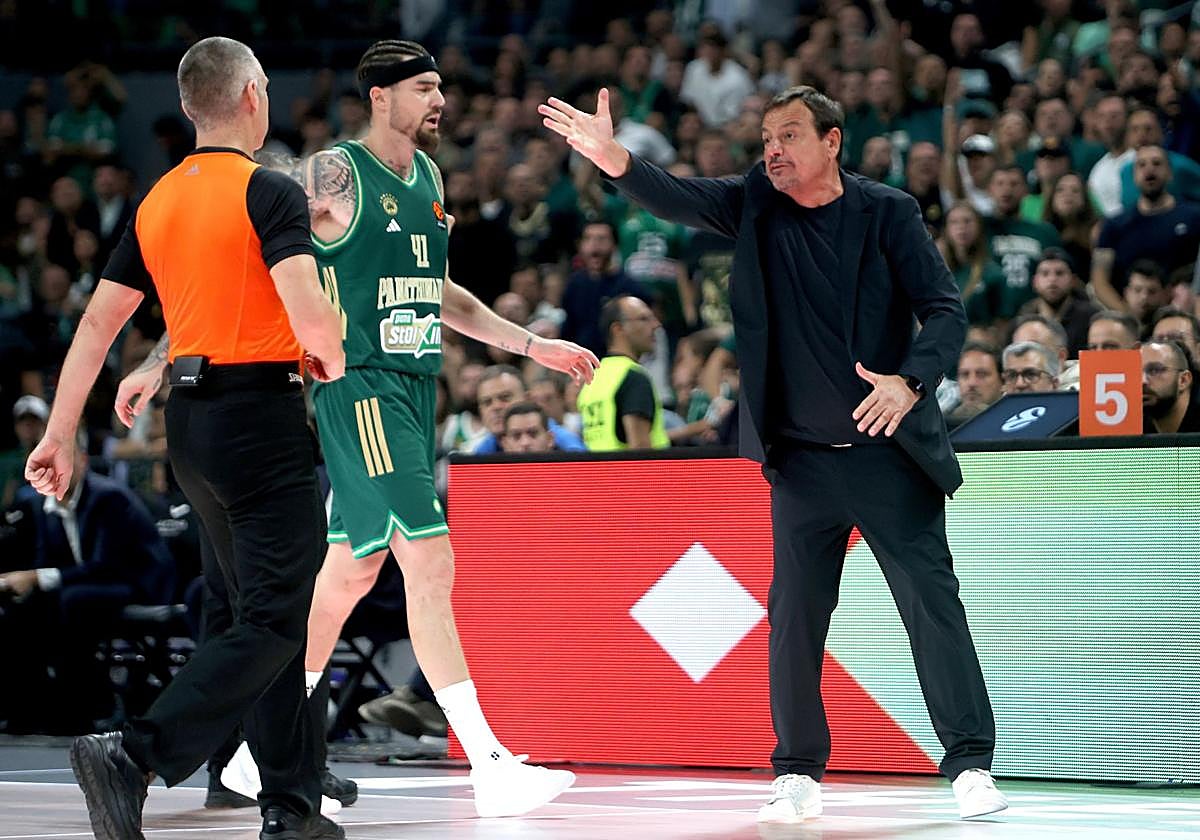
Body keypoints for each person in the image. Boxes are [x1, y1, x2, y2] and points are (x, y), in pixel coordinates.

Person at [120, 39, 591, 820]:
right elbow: (244, 266)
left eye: (440, 87)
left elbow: (438, 291)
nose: (440, 101)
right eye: (424, 88)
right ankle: (490, 763)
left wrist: (531, 345)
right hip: (359, 387)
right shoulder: (332, 175)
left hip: (412, 389)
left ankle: (253, 758)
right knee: (430, 562)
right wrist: (160, 358)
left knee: (347, 577)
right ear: (380, 96)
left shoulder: (429, 177)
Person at [540, 84, 1004, 821]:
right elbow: (678, 196)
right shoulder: (756, 201)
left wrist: (911, 381)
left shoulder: (888, 212)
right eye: (766, 139)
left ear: (832, 141)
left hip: (886, 452)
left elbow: (945, 309)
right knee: (794, 619)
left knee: (931, 606)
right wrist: (613, 159)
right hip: (801, 460)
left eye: (789, 135)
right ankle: (797, 772)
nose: (773, 150)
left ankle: (971, 765)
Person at [25, 37, 347, 840]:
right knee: (277, 620)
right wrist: (332, 351)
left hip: (191, 426)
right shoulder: (269, 190)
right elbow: (313, 322)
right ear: (251, 96)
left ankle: (292, 810)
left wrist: (62, 433)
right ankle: (135, 753)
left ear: (186, 106)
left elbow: (97, 327)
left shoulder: (158, 201)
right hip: (262, 419)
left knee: (261, 618)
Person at [577, 295, 671, 451]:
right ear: (618, 329)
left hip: (599, 466)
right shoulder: (633, 377)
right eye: (644, 319)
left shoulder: (593, 378)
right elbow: (639, 449)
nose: (656, 325)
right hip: (632, 467)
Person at [1140, 340, 1200, 433]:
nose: (1142, 381)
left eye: (1154, 370)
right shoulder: (1134, 429)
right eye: (1135, 372)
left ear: (1183, 380)